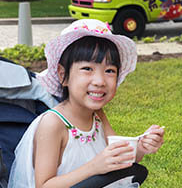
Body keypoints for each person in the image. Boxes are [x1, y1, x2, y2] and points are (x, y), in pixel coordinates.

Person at [8, 19, 165, 187]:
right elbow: (44, 185)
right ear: (63, 75)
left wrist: (140, 147)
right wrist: (94, 167)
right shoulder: (53, 124)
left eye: (109, 71)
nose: (99, 81)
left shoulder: (98, 115)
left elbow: (118, 158)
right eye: (87, 69)